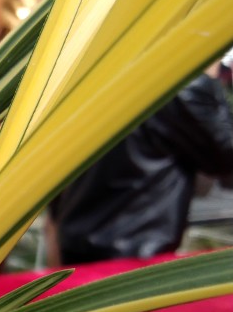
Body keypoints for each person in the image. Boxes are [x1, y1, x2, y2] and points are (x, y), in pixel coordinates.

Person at [49, 63, 233, 264]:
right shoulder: (181, 82)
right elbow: (225, 155)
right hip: (134, 253)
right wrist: (211, 78)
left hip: (77, 238)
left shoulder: (103, 69)